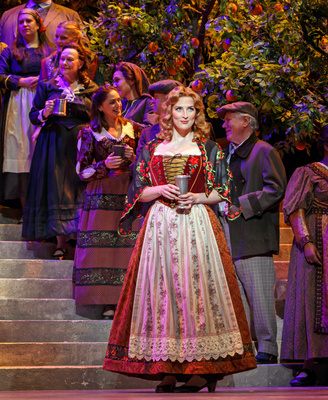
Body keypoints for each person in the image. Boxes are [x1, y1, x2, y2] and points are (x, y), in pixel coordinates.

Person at [103, 86, 256, 392]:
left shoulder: (209, 149)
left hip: (197, 224)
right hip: (160, 227)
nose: (185, 115)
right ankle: (168, 368)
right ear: (168, 113)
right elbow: (138, 192)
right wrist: (160, 190)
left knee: (197, 293)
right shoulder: (151, 150)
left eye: (191, 110)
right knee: (163, 293)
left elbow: (224, 191)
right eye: (179, 109)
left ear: (197, 114)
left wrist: (198, 196)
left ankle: (203, 371)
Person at [218, 101, 287, 365]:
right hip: (227, 231)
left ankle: (268, 346)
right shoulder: (226, 154)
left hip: (253, 233)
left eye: (229, 120)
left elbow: (276, 188)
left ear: (246, 122)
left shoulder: (263, 151)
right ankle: (244, 345)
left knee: (259, 294)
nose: (224, 124)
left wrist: (241, 206)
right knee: (234, 294)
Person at [23, 43, 98, 258]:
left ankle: (78, 238)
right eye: (62, 59)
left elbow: (97, 115)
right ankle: (60, 242)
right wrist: (44, 113)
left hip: (80, 143)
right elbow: (33, 114)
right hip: (54, 141)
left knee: (78, 188)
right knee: (58, 189)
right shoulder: (48, 86)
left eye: (69, 59)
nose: (64, 63)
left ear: (80, 63)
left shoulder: (91, 88)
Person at [74, 85, 138, 319]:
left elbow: (144, 163)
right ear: (100, 106)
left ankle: (126, 302)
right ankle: (107, 302)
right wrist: (104, 166)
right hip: (101, 196)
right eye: (111, 102)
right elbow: (82, 171)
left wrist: (133, 159)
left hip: (127, 193)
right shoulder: (89, 132)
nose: (117, 105)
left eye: (119, 100)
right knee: (104, 249)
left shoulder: (133, 129)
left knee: (126, 247)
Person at [280, 125, 328, 386]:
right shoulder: (307, 172)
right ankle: (308, 364)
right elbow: (295, 208)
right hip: (318, 243)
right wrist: (307, 241)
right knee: (313, 299)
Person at [0, 8, 53, 208]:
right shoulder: (10, 51)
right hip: (18, 102)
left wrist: (44, 82)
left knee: (39, 147)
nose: (24, 25)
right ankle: (23, 206)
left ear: (38, 24)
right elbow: (0, 76)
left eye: (29, 21)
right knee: (20, 148)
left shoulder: (50, 51)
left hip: (43, 101)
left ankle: (40, 204)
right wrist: (21, 81)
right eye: (21, 22)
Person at [39, 21, 103, 85]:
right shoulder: (48, 62)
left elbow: (99, 89)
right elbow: (41, 91)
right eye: (57, 37)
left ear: (76, 39)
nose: (58, 41)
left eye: (63, 38)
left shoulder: (89, 60)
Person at [0, 0, 82, 47]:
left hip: (56, 76)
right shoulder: (7, 15)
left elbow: (84, 50)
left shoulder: (70, 16)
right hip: (13, 77)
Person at [135, 79, 183, 160]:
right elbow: (139, 166)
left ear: (169, 100)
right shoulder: (147, 133)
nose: (152, 101)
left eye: (156, 97)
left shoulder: (190, 129)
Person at [112, 62, 155, 129]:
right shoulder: (121, 104)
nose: (114, 85)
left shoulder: (148, 102)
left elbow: (151, 129)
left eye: (117, 80)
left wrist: (125, 123)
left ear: (132, 80)